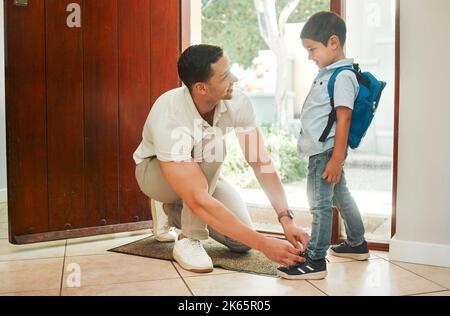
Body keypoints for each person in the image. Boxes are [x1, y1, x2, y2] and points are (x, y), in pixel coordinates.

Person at [134, 44, 310, 273]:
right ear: (201, 88)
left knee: (243, 242)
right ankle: (189, 238)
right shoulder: (171, 114)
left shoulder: (237, 101)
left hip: (198, 176)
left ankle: (170, 209)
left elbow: (260, 162)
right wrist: (265, 245)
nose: (234, 78)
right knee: (214, 145)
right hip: (155, 173)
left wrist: (285, 219)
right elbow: (197, 198)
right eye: (225, 76)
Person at [277, 11, 370, 281]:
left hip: (324, 154)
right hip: (327, 151)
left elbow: (344, 118)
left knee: (319, 205)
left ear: (333, 42)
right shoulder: (332, 73)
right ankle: (357, 243)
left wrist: (336, 159)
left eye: (312, 49)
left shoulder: (341, 77)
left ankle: (315, 260)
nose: (309, 56)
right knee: (341, 196)